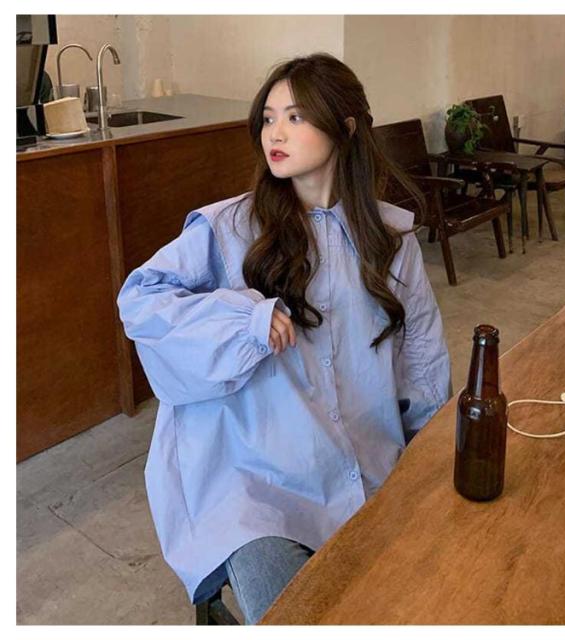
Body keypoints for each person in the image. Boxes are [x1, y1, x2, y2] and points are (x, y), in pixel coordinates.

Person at [117, 52, 451, 625]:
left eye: (295, 117)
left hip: (371, 464)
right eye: (268, 118)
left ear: (345, 128)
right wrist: (242, 319)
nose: (274, 133)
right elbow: (141, 301)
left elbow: (420, 352)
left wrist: (432, 451)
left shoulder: (390, 240)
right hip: (257, 490)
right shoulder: (228, 229)